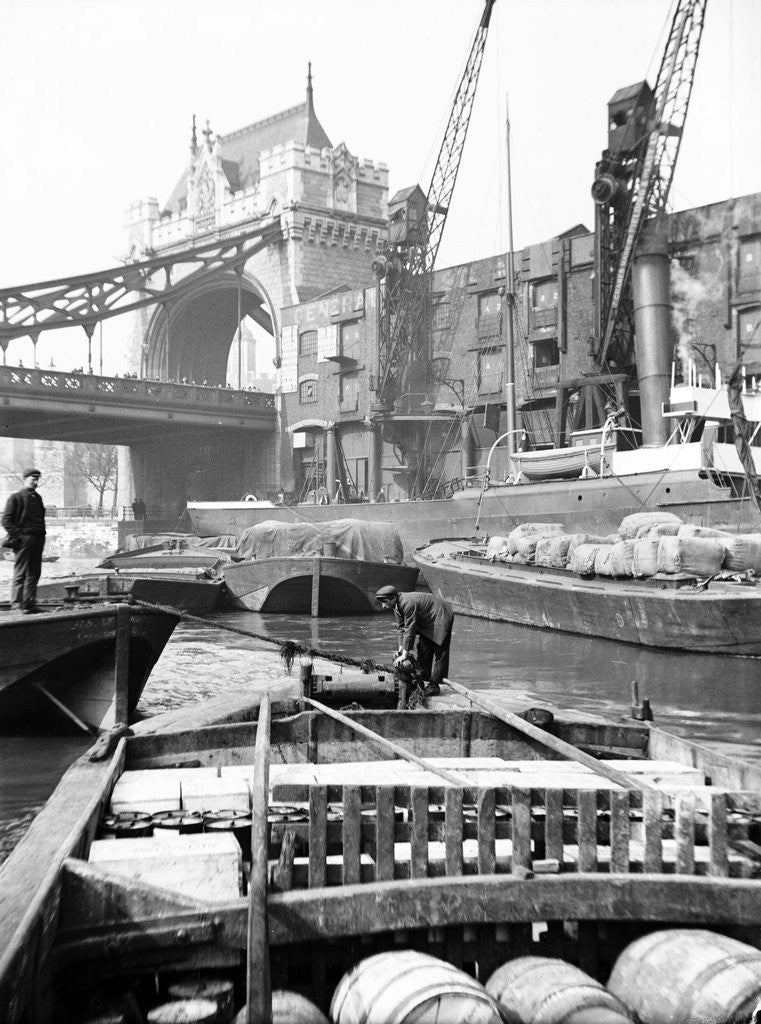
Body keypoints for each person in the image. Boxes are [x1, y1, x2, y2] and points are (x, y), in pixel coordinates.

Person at [375, 585, 454, 696]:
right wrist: (401, 649)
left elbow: (410, 628)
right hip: (427, 619)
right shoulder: (396, 606)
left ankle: (434, 685)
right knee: (423, 649)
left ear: (393, 598)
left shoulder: (407, 603)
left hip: (440, 614)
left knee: (440, 652)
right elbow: (401, 628)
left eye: (385, 602)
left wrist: (405, 655)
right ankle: (422, 680)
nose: (383, 606)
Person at [1, 468, 46, 613]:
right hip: (24, 539)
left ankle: (29, 604)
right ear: (25, 479)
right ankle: (16, 605)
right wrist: (18, 536)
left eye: (37, 479)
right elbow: (6, 520)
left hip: (38, 539)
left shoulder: (37, 498)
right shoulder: (16, 498)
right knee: (20, 573)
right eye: (33, 479)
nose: (35, 482)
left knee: (34, 573)